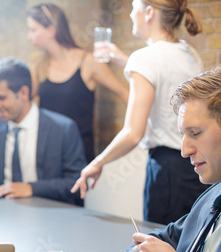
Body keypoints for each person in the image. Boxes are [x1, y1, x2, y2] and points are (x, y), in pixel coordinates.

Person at [44, 68, 221, 252]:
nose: (185, 150)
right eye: (182, 135)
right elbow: (172, 235)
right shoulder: (213, 193)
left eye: (195, 133)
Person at [72, 0, 207, 225]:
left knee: (160, 247)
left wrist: (97, 162)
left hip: (167, 174)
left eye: (135, 8)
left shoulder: (144, 58)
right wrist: (127, 61)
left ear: (149, 13)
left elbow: (133, 133)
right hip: (193, 167)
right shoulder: (189, 52)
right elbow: (166, 78)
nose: (132, 14)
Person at [0, 57, 86, 205]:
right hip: (1, 212)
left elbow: (74, 182)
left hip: (47, 211)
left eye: (1, 98)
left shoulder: (63, 129)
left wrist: (31, 188)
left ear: (24, 93)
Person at [26, 3, 129, 162]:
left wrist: (132, 131)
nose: (29, 37)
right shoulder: (39, 66)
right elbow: (26, 103)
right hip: (47, 153)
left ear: (51, 30)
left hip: (79, 154)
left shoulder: (88, 62)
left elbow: (125, 93)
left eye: (33, 30)